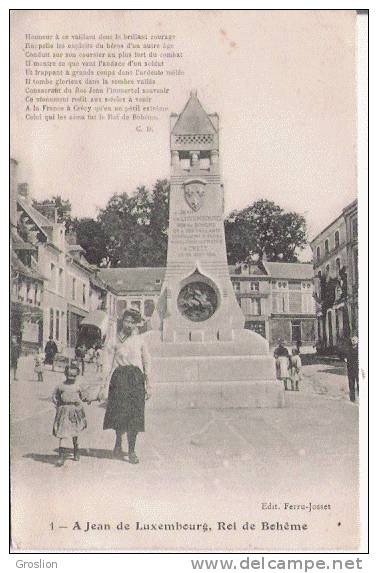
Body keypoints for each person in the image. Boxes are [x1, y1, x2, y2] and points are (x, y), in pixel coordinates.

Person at [103, 309, 151, 464]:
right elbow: (107, 361)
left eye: (132, 322)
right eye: (126, 321)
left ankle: (131, 450)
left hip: (136, 379)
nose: (129, 325)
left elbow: (147, 362)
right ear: (122, 321)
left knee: (135, 416)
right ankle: (118, 442)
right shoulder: (114, 340)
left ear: (136, 324)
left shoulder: (140, 340)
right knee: (119, 413)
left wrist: (149, 384)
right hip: (120, 379)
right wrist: (104, 383)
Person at [52, 362, 87, 467]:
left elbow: (84, 396)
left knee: (74, 432)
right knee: (62, 433)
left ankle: (76, 449)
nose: (71, 377)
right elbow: (54, 396)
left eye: (74, 375)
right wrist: (58, 404)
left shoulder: (78, 386)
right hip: (63, 411)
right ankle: (61, 456)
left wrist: (89, 398)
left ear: (77, 375)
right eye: (69, 375)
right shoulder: (61, 386)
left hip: (75, 410)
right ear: (65, 374)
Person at [344, 336, 359, 402]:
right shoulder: (348, 349)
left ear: (357, 341)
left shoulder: (360, 349)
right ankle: (352, 399)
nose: (353, 341)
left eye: (354, 340)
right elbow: (344, 355)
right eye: (352, 340)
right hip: (350, 369)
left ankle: (361, 397)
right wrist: (345, 359)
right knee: (351, 384)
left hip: (357, 369)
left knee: (359, 383)